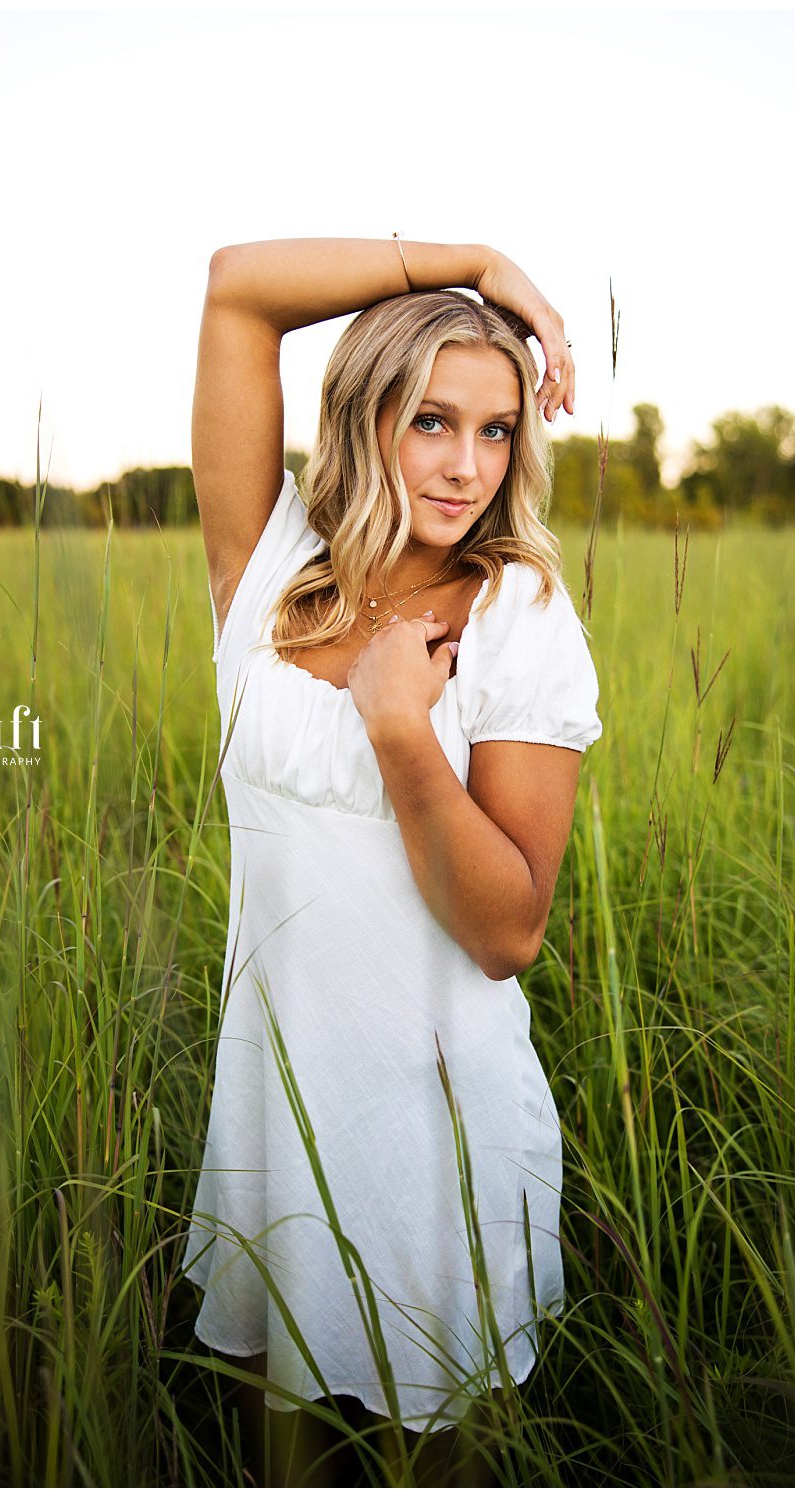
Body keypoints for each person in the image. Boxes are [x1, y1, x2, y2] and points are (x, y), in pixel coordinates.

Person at [182, 238, 601, 1481]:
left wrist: (402, 733)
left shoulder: (518, 615)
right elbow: (234, 287)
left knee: (450, 1446)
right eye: (430, 420)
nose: (466, 466)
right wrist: (473, 260)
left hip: (438, 1123)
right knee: (281, 1442)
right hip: (275, 1099)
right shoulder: (271, 566)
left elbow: (505, 932)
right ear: (363, 415)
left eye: (493, 429)